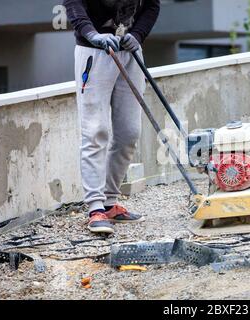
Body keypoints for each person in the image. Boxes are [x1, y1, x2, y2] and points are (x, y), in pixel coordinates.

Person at [64, 0, 160, 234]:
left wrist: (138, 35)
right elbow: (73, 3)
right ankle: (95, 207)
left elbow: (152, 6)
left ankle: (109, 201)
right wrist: (92, 35)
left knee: (129, 131)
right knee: (95, 130)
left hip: (130, 52)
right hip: (94, 52)